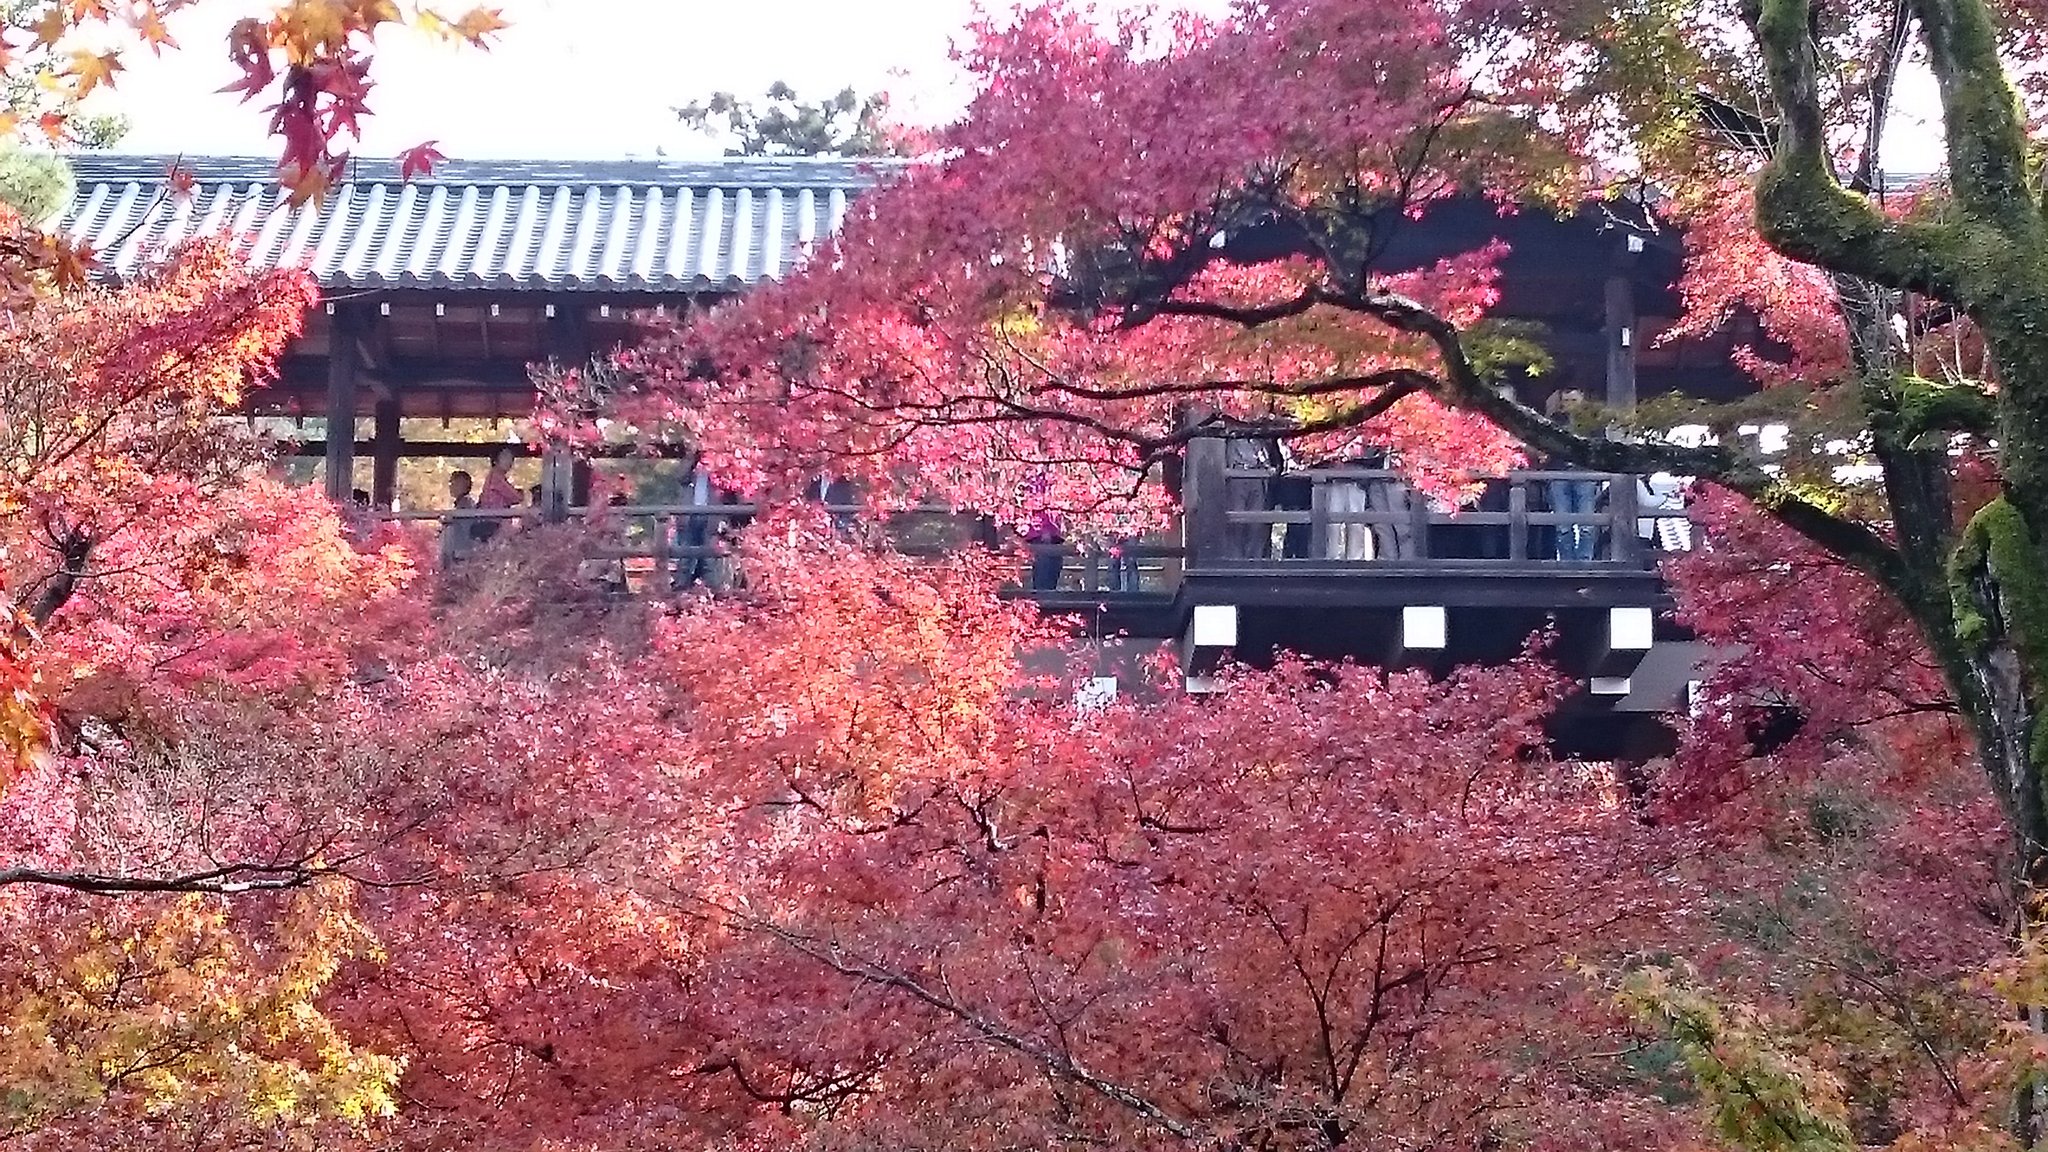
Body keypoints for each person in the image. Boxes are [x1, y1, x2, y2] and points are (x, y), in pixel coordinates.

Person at [474, 447, 520, 543]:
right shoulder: (496, 477)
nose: (509, 461)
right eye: (505, 457)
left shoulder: (498, 477)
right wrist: (523, 494)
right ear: (496, 459)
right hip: (492, 522)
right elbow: (515, 496)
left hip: (494, 521)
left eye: (512, 458)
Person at [440, 470, 477, 568]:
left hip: (461, 554)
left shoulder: (467, 504)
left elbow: (462, 524)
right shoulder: (460, 505)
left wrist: (448, 520)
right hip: (455, 553)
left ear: (463, 485)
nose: (451, 486)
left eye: (454, 483)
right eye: (451, 483)